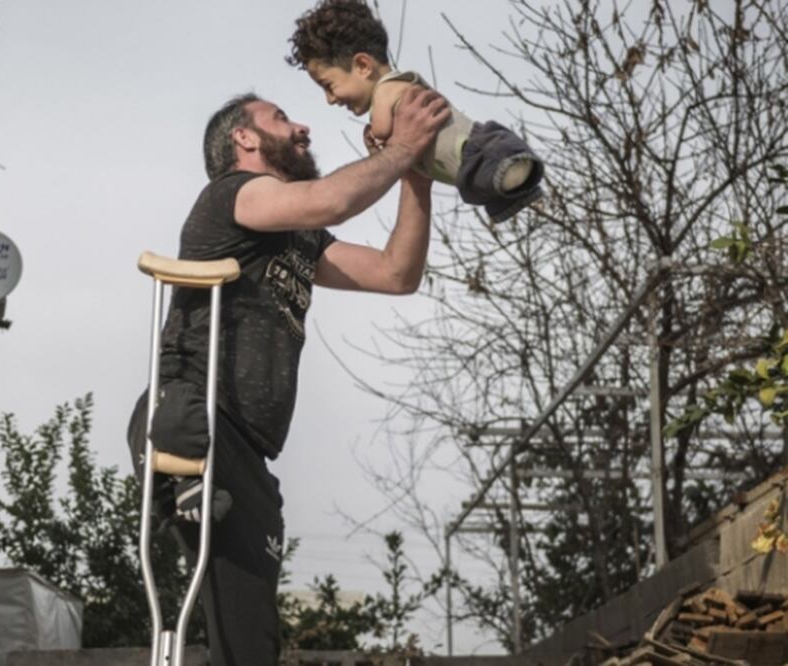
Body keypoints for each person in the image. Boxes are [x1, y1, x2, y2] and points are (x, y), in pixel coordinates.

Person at [126, 87, 449, 665]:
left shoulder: (299, 235)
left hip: (247, 451)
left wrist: (416, 175)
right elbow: (332, 200)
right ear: (243, 139)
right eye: (280, 118)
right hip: (197, 414)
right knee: (243, 637)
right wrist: (403, 145)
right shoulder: (234, 194)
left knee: (251, 641)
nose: (302, 126)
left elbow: (396, 273)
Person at [286, 0, 545, 223]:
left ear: (363, 66)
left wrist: (376, 141)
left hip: (475, 150)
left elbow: (382, 131)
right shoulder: (395, 96)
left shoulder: (388, 88)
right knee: (489, 183)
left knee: (491, 167)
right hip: (468, 166)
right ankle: (517, 183)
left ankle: (514, 171)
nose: (330, 100)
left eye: (329, 86)